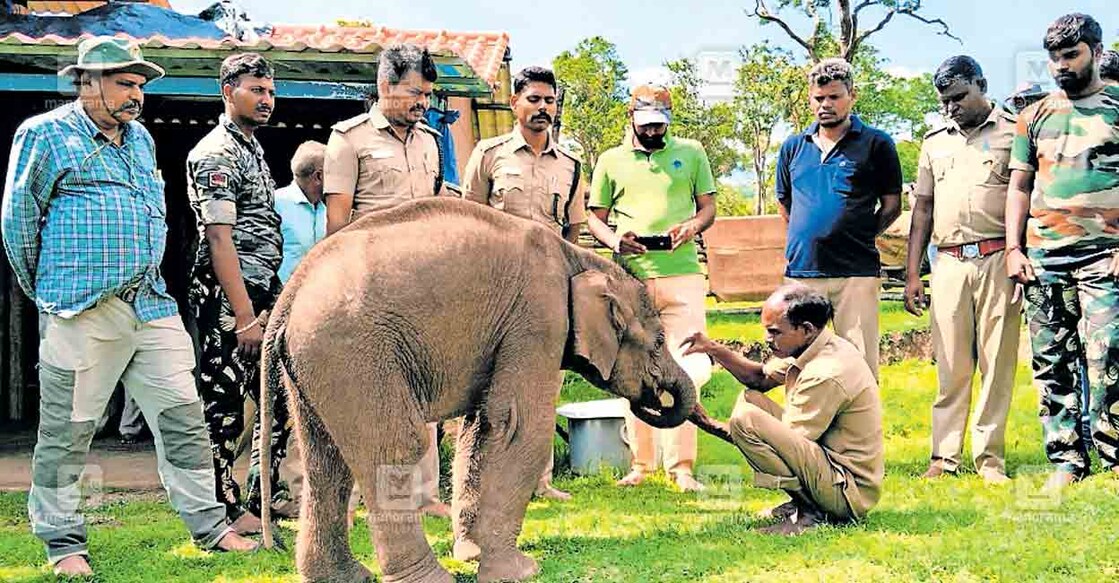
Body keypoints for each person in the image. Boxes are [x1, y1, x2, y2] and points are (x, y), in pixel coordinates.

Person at [0, 36, 257, 577]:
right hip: (80, 308)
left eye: (140, 84)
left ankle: (210, 527)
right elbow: (18, 225)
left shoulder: (140, 139)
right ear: (87, 81)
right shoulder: (44, 135)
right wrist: (52, 291)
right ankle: (63, 543)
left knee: (185, 418)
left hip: (150, 303)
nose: (136, 94)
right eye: (124, 82)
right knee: (68, 430)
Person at [323, 44, 450, 518]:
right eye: (415, 92)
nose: (423, 103)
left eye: (428, 95)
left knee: (427, 389)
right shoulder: (348, 140)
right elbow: (337, 226)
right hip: (374, 290)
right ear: (386, 85)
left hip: (428, 288)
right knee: (381, 396)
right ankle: (383, 497)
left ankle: (426, 494)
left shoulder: (431, 142)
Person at [461, 65, 584, 505]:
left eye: (549, 101)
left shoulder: (570, 165)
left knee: (543, 384)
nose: (542, 109)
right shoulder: (489, 154)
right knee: (483, 383)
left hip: (547, 293)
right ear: (515, 103)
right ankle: (480, 478)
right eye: (533, 99)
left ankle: (539, 480)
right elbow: (469, 219)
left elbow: (573, 231)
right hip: (494, 291)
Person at [1006, 13, 1119, 491]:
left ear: (1094, 49)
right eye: (1053, 58)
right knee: (1051, 362)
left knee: (1108, 356)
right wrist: (1013, 249)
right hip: (1045, 257)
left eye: (1070, 55)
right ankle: (1067, 460)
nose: (1060, 66)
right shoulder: (1034, 117)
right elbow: (1019, 184)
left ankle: (1113, 457)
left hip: (1105, 256)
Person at [585, 84, 715, 493]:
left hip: (682, 275)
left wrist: (691, 227)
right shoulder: (611, 160)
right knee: (634, 365)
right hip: (630, 278)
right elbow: (595, 218)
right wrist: (614, 240)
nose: (654, 132)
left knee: (686, 364)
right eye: (646, 125)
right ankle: (641, 464)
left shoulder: (691, 153)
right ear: (631, 119)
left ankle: (682, 468)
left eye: (660, 126)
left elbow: (708, 207)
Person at [186, 52, 293, 532]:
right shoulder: (216, 152)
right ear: (228, 92)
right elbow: (218, 237)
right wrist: (245, 316)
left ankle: (260, 498)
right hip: (229, 295)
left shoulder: (251, 148)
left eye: (270, 91)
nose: (267, 99)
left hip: (261, 288)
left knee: (277, 395)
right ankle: (224, 509)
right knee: (225, 403)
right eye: (256, 90)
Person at [681, 284, 883, 535]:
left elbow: (782, 445)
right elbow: (758, 380)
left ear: (806, 329)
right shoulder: (813, 345)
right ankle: (804, 504)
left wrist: (708, 423)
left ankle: (810, 514)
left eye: (774, 332)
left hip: (848, 492)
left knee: (747, 420)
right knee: (751, 401)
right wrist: (712, 348)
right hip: (830, 468)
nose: (767, 340)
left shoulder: (826, 373)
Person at [904, 56, 1020, 484]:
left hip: (998, 261)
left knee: (996, 364)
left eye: (958, 97)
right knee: (950, 365)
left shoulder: (1015, 132)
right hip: (949, 262)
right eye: (944, 102)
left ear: (981, 84)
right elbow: (923, 209)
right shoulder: (934, 141)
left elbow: (1025, 196)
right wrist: (913, 274)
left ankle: (990, 460)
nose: (950, 108)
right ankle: (944, 457)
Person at [775, 58, 903, 380]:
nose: (826, 105)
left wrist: (859, 234)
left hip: (855, 273)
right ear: (809, 99)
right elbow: (785, 202)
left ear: (852, 96)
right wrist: (809, 236)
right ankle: (802, 431)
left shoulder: (877, 143)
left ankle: (861, 431)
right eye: (819, 98)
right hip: (803, 273)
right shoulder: (793, 147)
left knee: (858, 364)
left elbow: (892, 205)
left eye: (834, 97)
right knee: (799, 364)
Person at [276, 141, 328, 283]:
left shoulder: (328, 212)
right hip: (276, 299)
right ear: (319, 176)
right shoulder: (273, 203)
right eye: (336, 171)